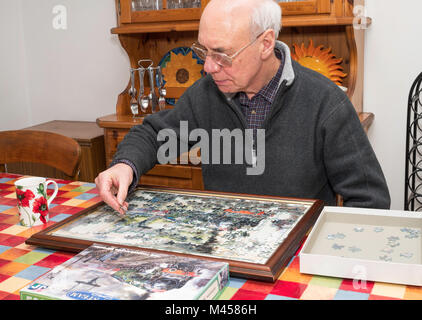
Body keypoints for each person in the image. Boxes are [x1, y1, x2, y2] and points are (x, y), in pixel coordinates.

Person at [95, 0, 390, 215]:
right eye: (204, 51)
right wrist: (125, 166)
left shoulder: (326, 102)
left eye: (222, 54)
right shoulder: (206, 93)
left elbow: (370, 201)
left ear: (265, 43)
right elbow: (152, 134)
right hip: (225, 247)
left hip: (295, 260)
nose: (209, 67)